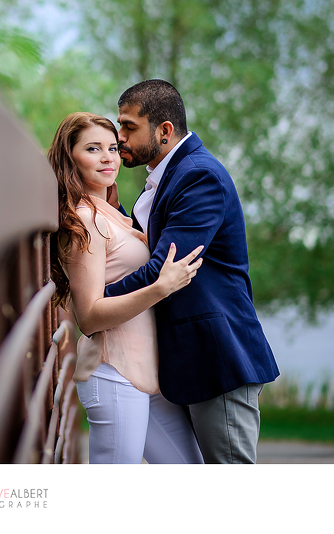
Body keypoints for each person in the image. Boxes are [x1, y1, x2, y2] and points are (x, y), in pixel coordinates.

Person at [107, 79, 280, 463]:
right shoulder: (166, 176)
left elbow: (163, 267)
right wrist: (116, 215)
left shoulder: (198, 176)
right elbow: (155, 248)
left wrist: (95, 303)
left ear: (164, 131)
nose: (120, 138)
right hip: (187, 359)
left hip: (216, 357)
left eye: (129, 126)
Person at [48, 112, 205, 464]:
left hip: (148, 375)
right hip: (114, 374)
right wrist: (160, 288)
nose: (108, 158)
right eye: (93, 149)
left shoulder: (113, 213)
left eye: (113, 148)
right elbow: (88, 317)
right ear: (70, 157)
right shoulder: (85, 221)